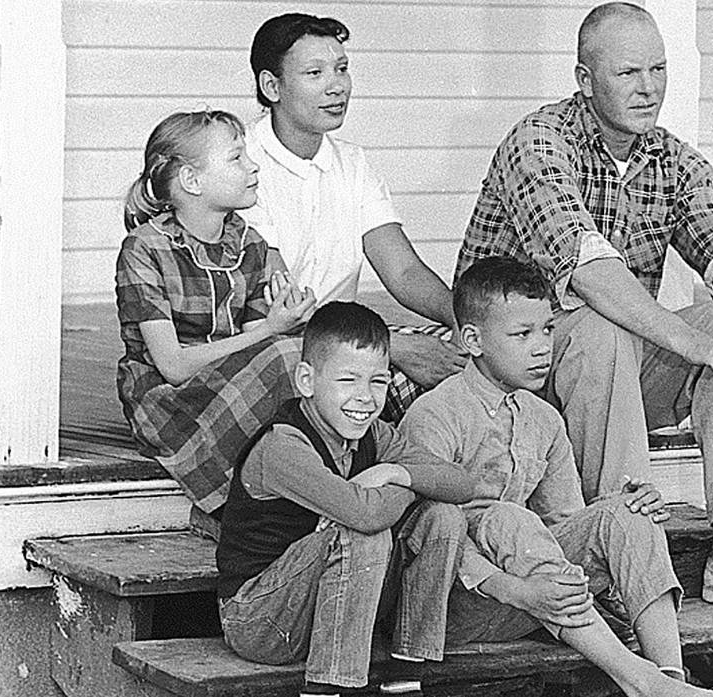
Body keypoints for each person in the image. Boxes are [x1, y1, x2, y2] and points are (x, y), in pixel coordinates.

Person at [455, 2, 713, 619]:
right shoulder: (539, 142)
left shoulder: (673, 159)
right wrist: (694, 346)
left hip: (609, 379)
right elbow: (589, 272)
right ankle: (624, 550)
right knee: (603, 325)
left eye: (657, 68)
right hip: (511, 375)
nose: (648, 87)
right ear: (583, 78)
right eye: (628, 73)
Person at [399, 257, 713, 697]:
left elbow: (564, 526)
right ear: (472, 340)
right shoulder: (435, 414)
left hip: (536, 597)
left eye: (548, 330)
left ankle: (670, 677)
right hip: (452, 605)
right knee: (506, 519)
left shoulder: (544, 419)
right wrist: (517, 590)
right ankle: (639, 682)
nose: (542, 348)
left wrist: (621, 512)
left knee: (628, 512)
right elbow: (421, 533)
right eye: (522, 334)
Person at [216, 301, 474, 697]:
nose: (366, 398)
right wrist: (408, 487)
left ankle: (404, 676)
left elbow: (460, 483)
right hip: (259, 619)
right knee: (361, 534)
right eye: (348, 380)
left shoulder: (375, 435)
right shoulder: (282, 446)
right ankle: (327, 690)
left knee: (444, 517)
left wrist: (396, 472)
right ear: (307, 380)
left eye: (378, 381)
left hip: (330, 610)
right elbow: (364, 514)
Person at [241, 12, 467, 421]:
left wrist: (461, 320)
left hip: (347, 343)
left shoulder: (352, 162)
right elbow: (279, 305)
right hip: (274, 345)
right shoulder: (242, 164)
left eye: (342, 69)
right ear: (271, 86)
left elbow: (402, 272)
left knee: (468, 364)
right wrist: (389, 346)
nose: (337, 86)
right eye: (315, 72)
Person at [116, 109, 317, 516]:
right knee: (289, 357)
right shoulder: (145, 248)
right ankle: (246, 508)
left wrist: (286, 320)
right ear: (191, 180)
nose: (252, 166)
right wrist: (273, 332)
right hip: (170, 400)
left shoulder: (249, 242)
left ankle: (308, 488)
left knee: (321, 356)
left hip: (231, 385)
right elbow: (172, 365)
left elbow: (262, 342)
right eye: (236, 158)